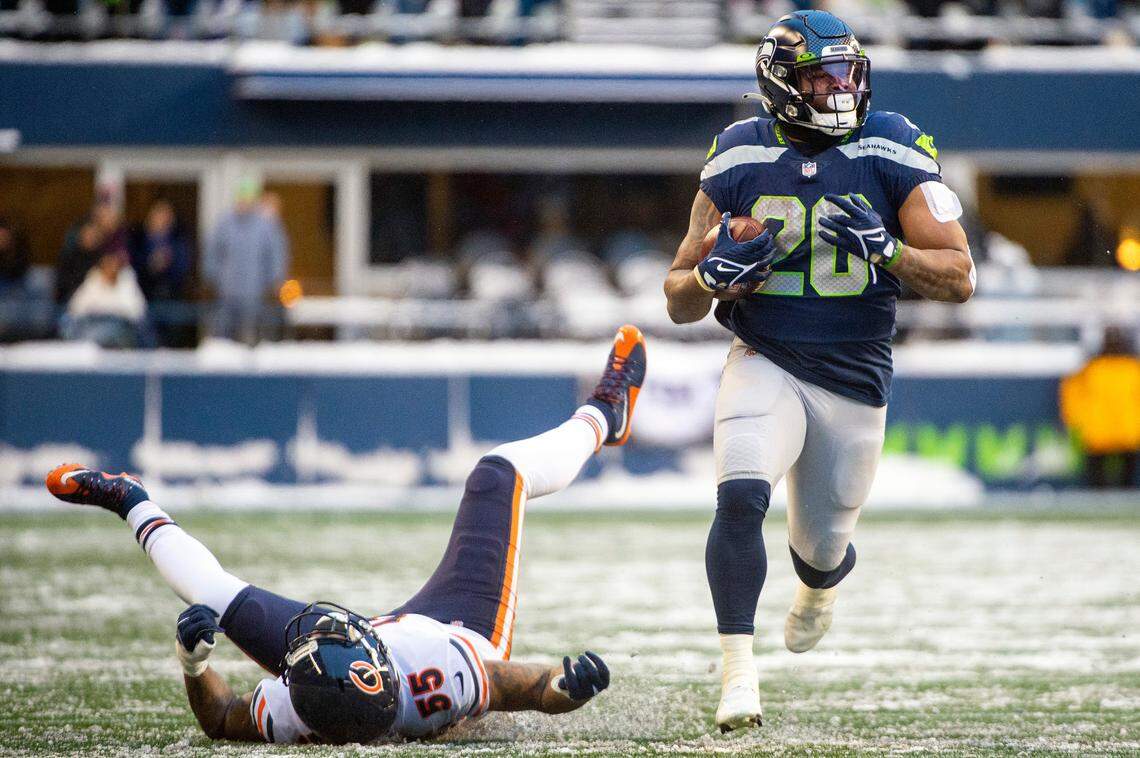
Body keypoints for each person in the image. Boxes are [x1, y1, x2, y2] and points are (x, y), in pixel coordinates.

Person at [44, 325, 647, 745]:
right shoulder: (440, 676)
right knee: (497, 474)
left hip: (360, 670)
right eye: (338, 632)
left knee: (213, 596)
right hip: (462, 626)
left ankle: (128, 499)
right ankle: (603, 414)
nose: (331, 622)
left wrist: (194, 665)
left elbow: (224, 717)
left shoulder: (299, 705)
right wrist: (568, 686)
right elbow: (536, 688)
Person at [661, 11, 975, 731]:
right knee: (739, 498)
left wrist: (890, 253)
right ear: (780, 84)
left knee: (820, 550)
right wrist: (709, 276)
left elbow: (959, 277)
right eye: (822, 77)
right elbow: (677, 296)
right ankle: (738, 675)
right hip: (764, 356)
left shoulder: (891, 146)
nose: (840, 89)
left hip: (854, 377)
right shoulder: (737, 155)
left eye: (847, 74)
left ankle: (819, 585)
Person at [203, 180, 289, 344]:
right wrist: (213, 277)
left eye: (248, 199)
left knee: (250, 336)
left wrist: (274, 280)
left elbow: (276, 255)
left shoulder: (265, 226)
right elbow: (212, 252)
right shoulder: (224, 223)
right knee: (223, 339)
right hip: (226, 293)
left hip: (254, 294)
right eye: (242, 199)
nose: (244, 203)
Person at [1060, 326, 1140, 489]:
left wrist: (1073, 419)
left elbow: (1072, 395)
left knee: (1100, 478)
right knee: (1125, 477)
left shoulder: (1092, 369)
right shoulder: (1132, 369)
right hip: (1125, 431)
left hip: (1100, 430)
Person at [60, 247, 148, 348]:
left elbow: (137, 311)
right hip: (92, 321)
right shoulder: (94, 280)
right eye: (107, 264)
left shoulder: (127, 281)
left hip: (120, 325)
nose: (111, 268)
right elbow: (75, 307)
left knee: (108, 329)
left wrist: (110, 310)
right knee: (68, 323)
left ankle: (87, 344)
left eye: (114, 264)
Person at [130, 199, 192, 302]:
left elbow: (183, 268)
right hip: (143, 295)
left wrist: (168, 264)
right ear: (151, 215)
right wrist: (150, 265)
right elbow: (132, 265)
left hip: (171, 296)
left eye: (167, 215)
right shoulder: (137, 238)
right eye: (160, 213)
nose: (163, 219)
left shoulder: (178, 239)